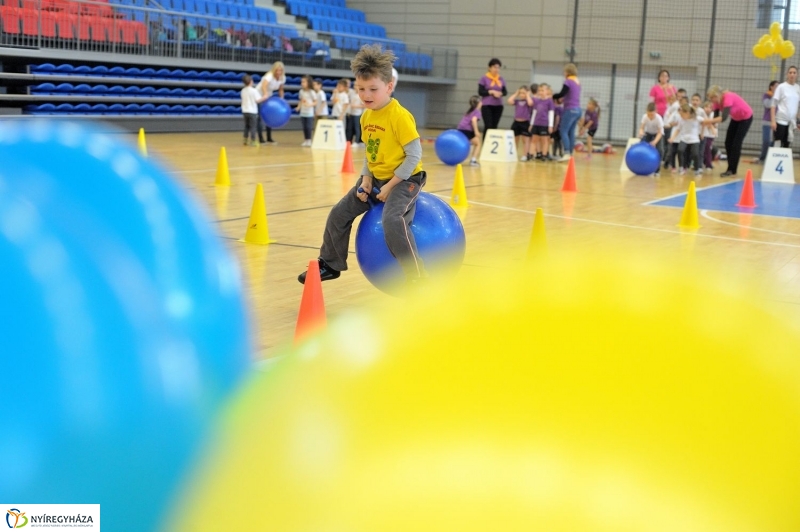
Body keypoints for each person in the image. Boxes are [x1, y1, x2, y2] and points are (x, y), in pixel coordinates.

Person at [298, 45, 426, 287]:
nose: (366, 95)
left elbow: (414, 155)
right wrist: (366, 179)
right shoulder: (366, 115)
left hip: (406, 179)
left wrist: (389, 186)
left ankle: (417, 275)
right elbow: (371, 152)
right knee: (338, 214)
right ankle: (330, 263)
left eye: (373, 89)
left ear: (389, 86)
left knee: (392, 220)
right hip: (375, 179)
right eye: (361, 89)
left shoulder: (399, 116)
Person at [703, 85, 753, 178]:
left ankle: (732, 169)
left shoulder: (728, 97)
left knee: (736, 144)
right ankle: (730, 167)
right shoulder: (716, 102)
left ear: (717, 95)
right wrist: (711, 125)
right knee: (728, 142)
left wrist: (707, 122)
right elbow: (715, 116)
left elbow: (724, 118)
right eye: (710, 98)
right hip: (736, 118)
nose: (711, 100)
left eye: (712, 97)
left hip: (746, 118)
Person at [551, 63, 582, 162]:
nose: (563, 73)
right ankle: (571, 153)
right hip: (578, 110)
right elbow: (571, 95)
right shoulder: (577, 81)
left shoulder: (568, 81)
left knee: (563, 131)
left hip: (570, 109)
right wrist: (562, 100)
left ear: (567, 72)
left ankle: (567, 152)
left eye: (564, 71)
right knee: (571, 132)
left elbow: (562, 93)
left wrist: (553, 96)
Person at [669, 103, 703, 177]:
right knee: (680, 150)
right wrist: (672, 138)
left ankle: (697, 170)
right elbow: (678, 129)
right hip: (684, 138)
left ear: (687, 113)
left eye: (682, 114)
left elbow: (706, 123)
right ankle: (681, 167)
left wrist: (704, 132)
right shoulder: (681, 120)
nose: (681, 116)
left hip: (694, 139)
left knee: (695, 154)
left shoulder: (697, 118)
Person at [257, 61, 286, 144]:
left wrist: (282, 99)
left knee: (269, 116)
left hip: (268, 95)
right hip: (259, 95)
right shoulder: (269, 76)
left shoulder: (282, 78)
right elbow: (264, 85)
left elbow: (281, 89)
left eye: (280, 70)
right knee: (260, 117)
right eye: (277, 70)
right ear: (274, 70)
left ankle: (269, 138)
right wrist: (265, 95)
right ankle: (261, 139)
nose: (278, 72)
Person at [771, 66, 800, 149]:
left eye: (794, 73)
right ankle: (775, 160)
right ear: (787, 74)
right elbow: (773, 104)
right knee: (778, 143)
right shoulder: (781, 87)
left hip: (791, 122)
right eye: (790, 72)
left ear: (797, 75)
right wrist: (773, 121)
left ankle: (784, 161)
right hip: (780, 121)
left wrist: (798, 121)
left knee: (787, 144)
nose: (792, 74)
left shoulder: (798, 88)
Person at [478, 58, 507, 140]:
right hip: (487, 105)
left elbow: (505, 92)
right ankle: (485, 145)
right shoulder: (484, 78)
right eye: (494, 67)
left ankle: (492, 145)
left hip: (498, 105)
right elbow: (480, 92)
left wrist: (500, 93)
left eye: (498, 67)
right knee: (488, 125)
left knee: (494, 126)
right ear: (489, 68)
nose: (496, 69)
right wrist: (491, 92)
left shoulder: (501, 79)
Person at [507, 85, 533, 161]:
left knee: (525, 140)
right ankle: (513, 154)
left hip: (525, 123)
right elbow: (509, 100)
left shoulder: (529, 101)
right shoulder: (517, 101)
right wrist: (516, 94)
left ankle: (525, 155)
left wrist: (528, 95)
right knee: (515, 139)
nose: (522, 95)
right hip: (516, 122)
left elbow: (530, 103)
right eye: (520, 93)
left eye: (523, 93)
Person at [530, 83, 555, 161]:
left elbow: (551, 113)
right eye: (539, 90)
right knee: (534, 139)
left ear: (547, 91)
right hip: (536, 123)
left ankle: (544, 155)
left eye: (542, 90)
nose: (541, 92)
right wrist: (531, 124)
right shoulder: (537, 101)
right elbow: (534, 112)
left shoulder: (549, 101)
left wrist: (550, 125)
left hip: (544, 124)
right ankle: (530, 155)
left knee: (544, 140)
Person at [754, 80, 778, 163]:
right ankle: (762, 158)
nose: (777, 88)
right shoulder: (766, 95)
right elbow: (768, 105)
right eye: (775, 86)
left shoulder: (780, 96)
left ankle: (769, 158)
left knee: (773, 141)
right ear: (771, 87)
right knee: (766, 140)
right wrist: (774, 97)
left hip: (776, 122)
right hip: (767, 121)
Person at [241, 74, 268, 146]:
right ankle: (253, 140)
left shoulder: (243, 90)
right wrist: (264, 97)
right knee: (253, 126)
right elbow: (257, 100)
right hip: (252, 111)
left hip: (245, 111)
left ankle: (245, 140)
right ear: (251, 81)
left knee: (246, 126)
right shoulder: (254, 90)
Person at [456, 95, 482, 166]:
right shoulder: (477, 111)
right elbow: (473, 120)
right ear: (479, 103)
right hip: (467, 130)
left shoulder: (469, 111)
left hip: (460, 129)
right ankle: (473, 160)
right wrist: (476, 132)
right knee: (478, 143)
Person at [296, 75, 316, 147]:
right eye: (301, 82)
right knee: (304, 127)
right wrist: (298, 107)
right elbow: (301, 100)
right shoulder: (301, 91)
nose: (302, 83)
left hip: (309, 113)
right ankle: (305, 140)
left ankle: (309, 140)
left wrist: (310, 105)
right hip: (303, 112)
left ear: (308, 83)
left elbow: (315, 102)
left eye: (304, 82)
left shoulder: (312, 92)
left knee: (308, 127)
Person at [347, 79, 364, 147]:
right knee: (350, 128)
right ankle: (349, 141)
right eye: (354, 85)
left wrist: (355, 106)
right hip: (351, 113)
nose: (355, 86)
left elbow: (363, 105)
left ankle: (357, 141)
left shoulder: (361, 94)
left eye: (356, 85)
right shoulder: (352, 93)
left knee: (357, 128)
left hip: (357, 113)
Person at [701, 101, 717, 172]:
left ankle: (708, 164)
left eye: (710, 107)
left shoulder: (714, 115)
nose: (708, 109)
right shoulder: (702, 114)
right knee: (701, 149)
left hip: (710, 135)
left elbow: (712, 124)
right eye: (706, 107)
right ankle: (700, 163)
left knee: (707, 148)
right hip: (703, 134)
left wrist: (708, 123)